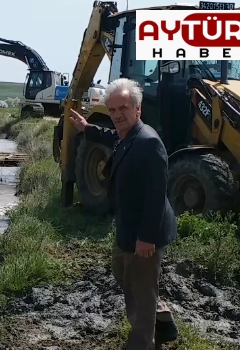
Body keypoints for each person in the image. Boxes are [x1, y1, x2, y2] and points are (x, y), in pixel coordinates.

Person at [68, 78, 178, 349]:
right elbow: (112, 137)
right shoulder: (127, 135)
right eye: (113, 110)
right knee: (121, 269)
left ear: (137, 110)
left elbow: (155, 196)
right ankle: (162, 315)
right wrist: (86, 128)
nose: (117, 115)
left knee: (140, 295)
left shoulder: (148, 143)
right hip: (128, 226)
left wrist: (146, 237)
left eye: (123, 108)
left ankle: (142, 342)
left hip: (144, 230)